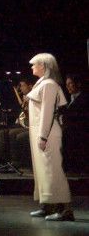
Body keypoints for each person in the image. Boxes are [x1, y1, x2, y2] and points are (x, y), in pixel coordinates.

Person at [25, 53, 73, 222]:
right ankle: (48, 206)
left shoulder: (49, 85)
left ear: (43, 66)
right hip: (41, 132)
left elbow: (47, 112)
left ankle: (64, 210)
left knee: (53, 171)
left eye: (34, 64)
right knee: (43, 171)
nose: (32, 67)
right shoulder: (42, 84)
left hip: (48, 134)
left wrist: (43, 136)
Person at [62, 74, 87, 174]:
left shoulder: (84, 98)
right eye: (67, 84)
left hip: (80, 130)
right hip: (71, 128)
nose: (68, 86)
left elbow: (79, 117)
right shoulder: (70, 98)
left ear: (78, 84)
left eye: (70, 84)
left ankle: (75, 168)